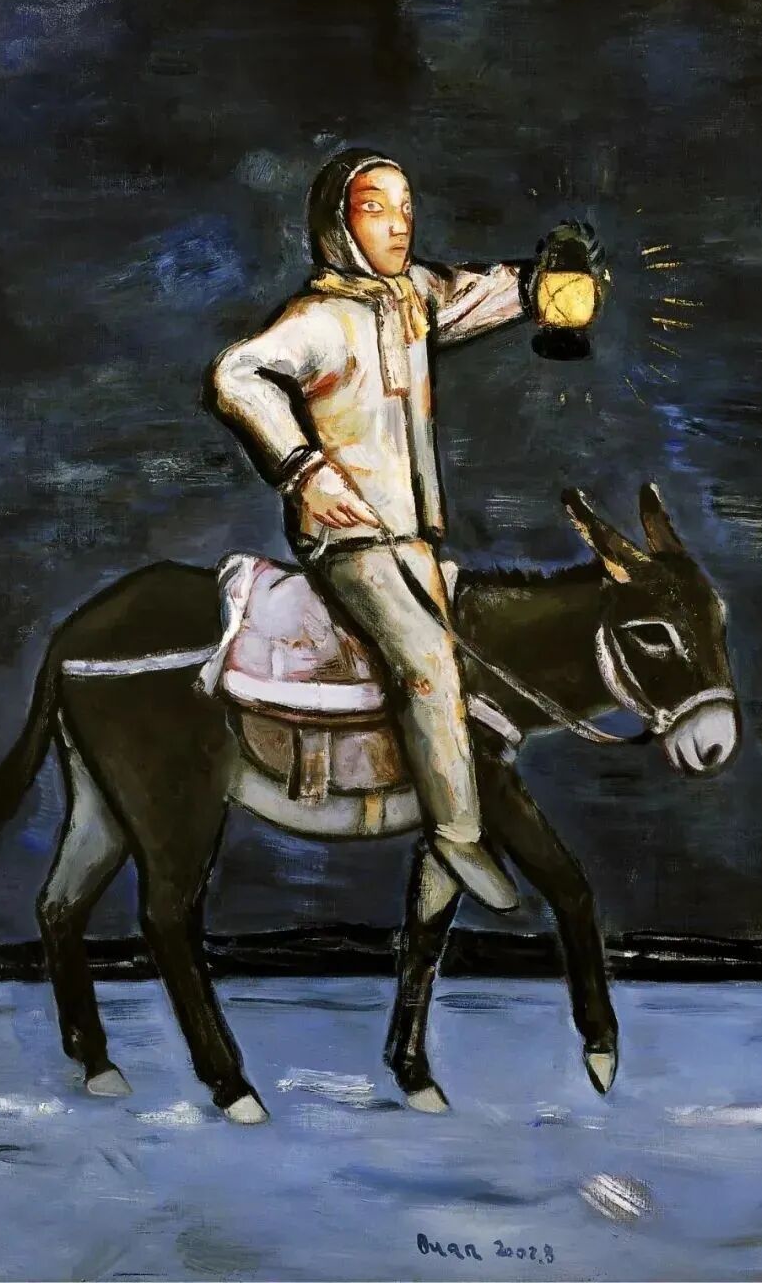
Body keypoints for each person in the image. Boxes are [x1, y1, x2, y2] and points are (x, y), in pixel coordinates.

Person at [208, 147, 601, 912]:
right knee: (428, 663)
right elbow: (234, 375)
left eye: (406, 208)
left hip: (412, 539)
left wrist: (543, 281)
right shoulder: (318, 319)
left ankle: (435, 877)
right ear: (337, 223)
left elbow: (479, 293)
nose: (398, 224)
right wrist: (303, 471)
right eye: (376, 208)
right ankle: (458, 836)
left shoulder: (413, 296)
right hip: (351, 541)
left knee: (454, 679)